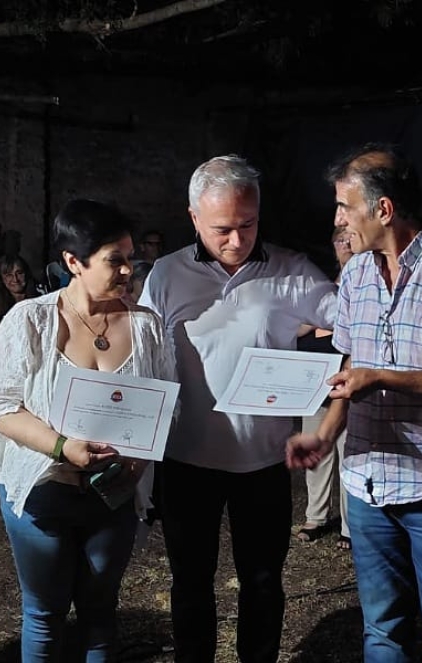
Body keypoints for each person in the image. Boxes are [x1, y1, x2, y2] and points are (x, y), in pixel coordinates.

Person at [285, 143, 422, 662]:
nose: (338, 219)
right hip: (367, 486)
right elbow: (350, 370)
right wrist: (323, 434)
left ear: (383, 209)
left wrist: (385, 379)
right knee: (382, 630)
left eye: (346, 206)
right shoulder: (357, 274)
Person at [138, 154, 337, 663]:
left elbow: (351, 321)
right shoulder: (166, 274)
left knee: (264, 582)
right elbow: (142, 351)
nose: (235, 240)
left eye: (247, 225)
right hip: (186, 459)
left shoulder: (292, 271)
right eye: (221, 229)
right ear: (193, 218)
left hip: (265, 460)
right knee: (190, 583)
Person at [0, 198, 175, 662]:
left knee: (101, 612)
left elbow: (165, 403)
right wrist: (64, 447)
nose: (128, 272)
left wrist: (138, 459)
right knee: (45, 615)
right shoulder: (31, 320)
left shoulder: (147, 327)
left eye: (130, 259)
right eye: (115, 260)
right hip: (44, 494)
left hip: (114, 495)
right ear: (72, 262)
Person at [294, 225, 354, 550]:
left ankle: (349, 524)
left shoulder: (366, 285)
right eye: (339, 240)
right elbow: (301, 324)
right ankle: (316, 516)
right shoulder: (324, 287)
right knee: (315, 450)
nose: (344, 245)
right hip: (315, 379)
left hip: (348, 379)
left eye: (349, 238)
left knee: (347, 452)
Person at [0, 253, 39, 321]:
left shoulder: (41, 297)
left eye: (19, 273)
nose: (15, 279)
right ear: (1, 279)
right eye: (9, 275)